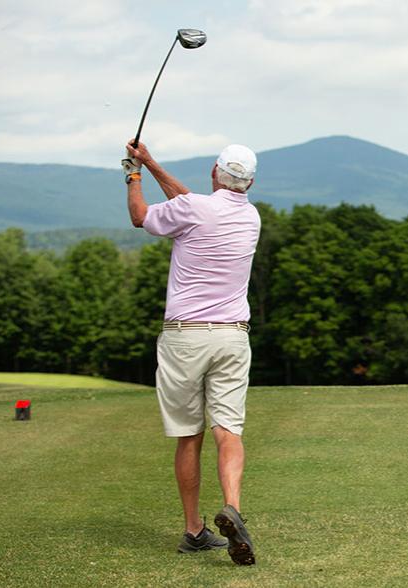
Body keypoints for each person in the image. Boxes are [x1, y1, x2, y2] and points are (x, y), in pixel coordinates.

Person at [124, 140, 261, 565]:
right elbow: (191, 204)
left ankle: (194, 530)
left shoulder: (197, 208)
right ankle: (232, 507)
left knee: (189, 435)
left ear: (215, 172)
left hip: (185, 338)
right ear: (250, 182)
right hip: (232, 336)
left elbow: (141, 217)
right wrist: (152, 164)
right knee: (228, 429)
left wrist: (133, 175)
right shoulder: (251, 216)